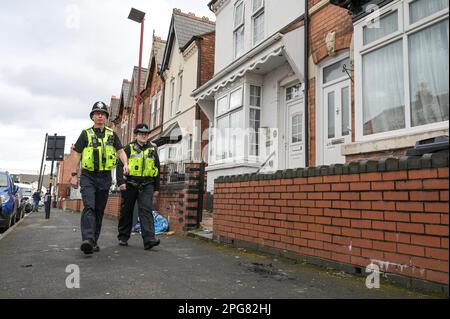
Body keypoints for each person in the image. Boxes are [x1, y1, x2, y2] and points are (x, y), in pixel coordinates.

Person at [68, 101, 129, 255]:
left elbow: (120, 151)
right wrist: (74, 175)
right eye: (97, 113)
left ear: (106, 117)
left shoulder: (111, 134)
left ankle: (93, 241)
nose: (100, 116)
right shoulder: (86, 134)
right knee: (89, 206)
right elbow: (76, 154)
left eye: (103, 114)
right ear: (93, 117)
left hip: (105, 176)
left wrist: (126, 164)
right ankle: (87, 239)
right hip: (88, 175)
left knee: (99, 210)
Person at [116, 123, 161, 250]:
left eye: (146, 134)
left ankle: (149, 240)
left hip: (147, 184)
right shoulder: (129, 148)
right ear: (136, 135)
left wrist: (157, 188)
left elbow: (157, 168)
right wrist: (121, 182)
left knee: (146, 211)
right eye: (141, 134)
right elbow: (120, 165)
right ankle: (123, 237)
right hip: (130, 184)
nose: (144, 136)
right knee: (127, 210)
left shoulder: (152, 149)